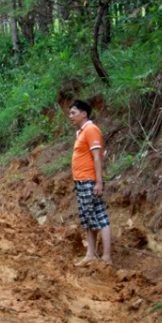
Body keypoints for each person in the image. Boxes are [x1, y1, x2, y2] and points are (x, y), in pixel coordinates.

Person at [69, 99, 112, 266]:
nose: (70, 116)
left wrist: (98, 182)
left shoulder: (91, 130)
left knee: (99, 217)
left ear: (84, 113)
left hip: (89, 180)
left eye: (73, 113)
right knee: (88, 218)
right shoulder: (82, 132)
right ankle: (91, 254)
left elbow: (97, 158)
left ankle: (106, 257)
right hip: (82, 181)